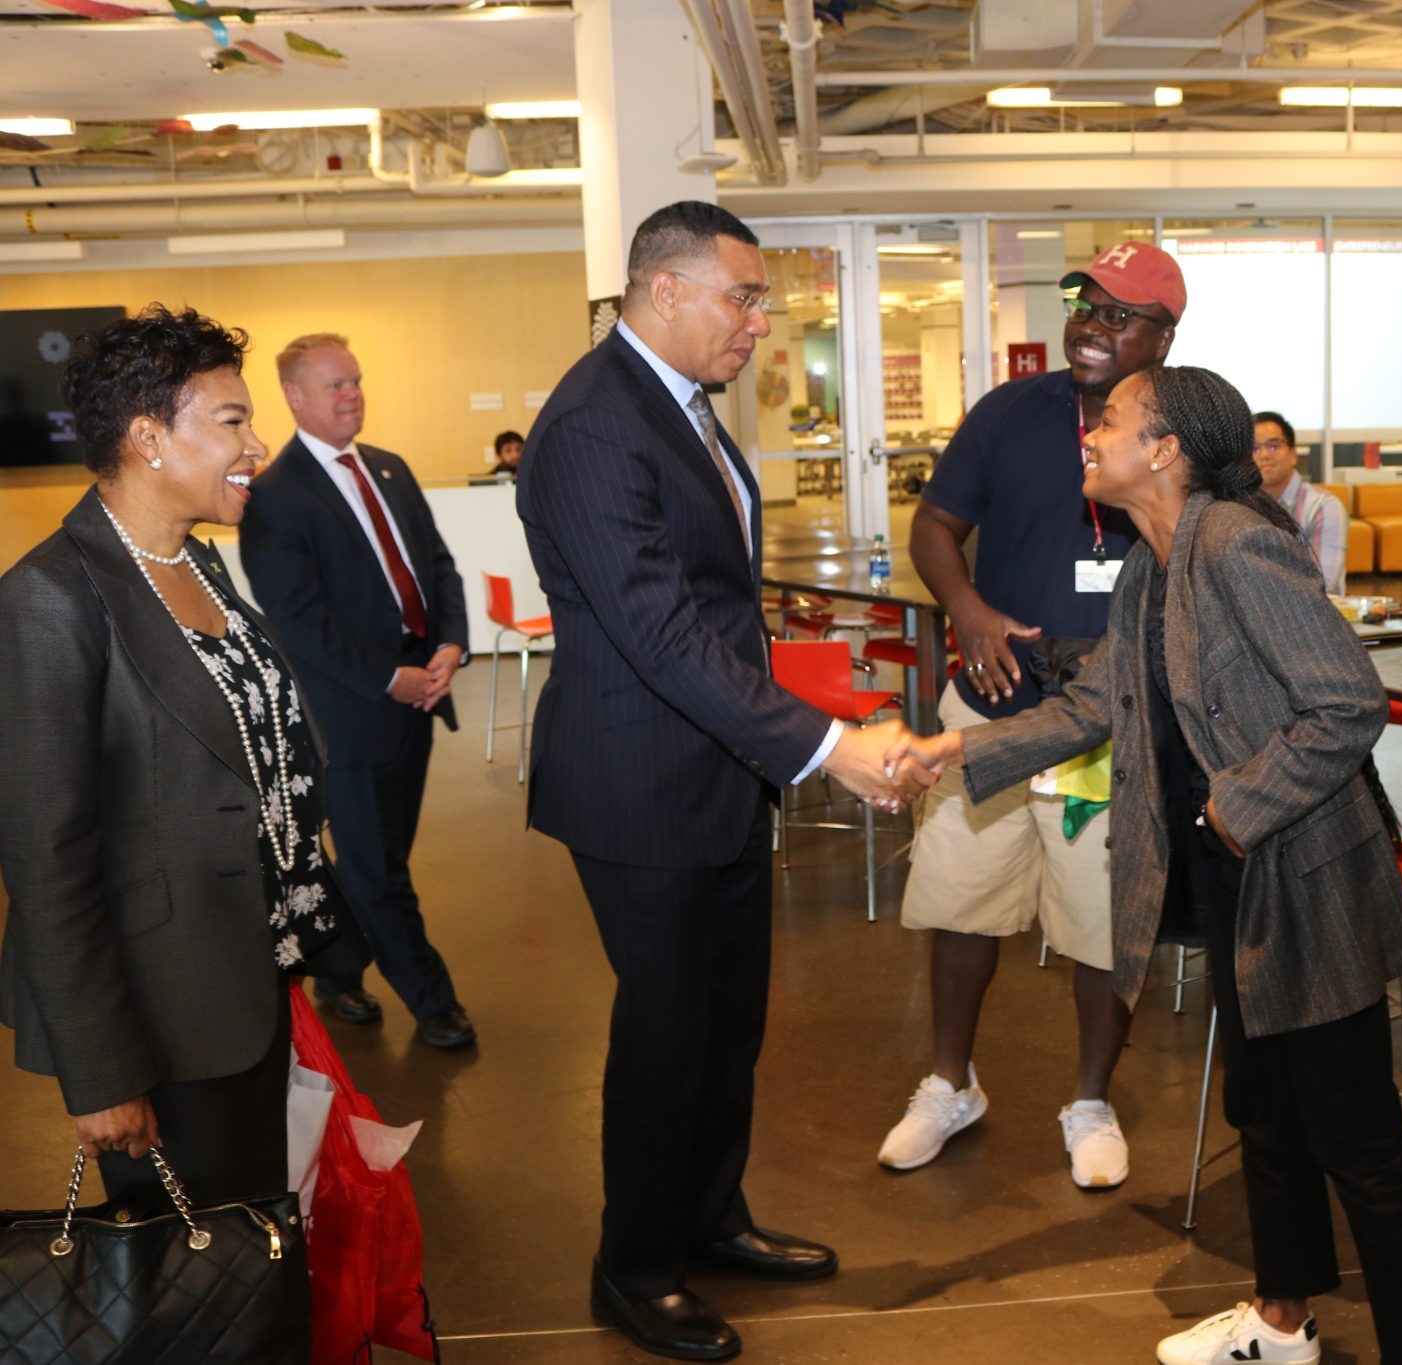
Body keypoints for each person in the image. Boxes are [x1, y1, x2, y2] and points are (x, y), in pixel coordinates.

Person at [889, 366, 1402, 1365]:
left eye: (1108, 422)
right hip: (1235, 881)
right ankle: (1280, 1325)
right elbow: (1091, 707)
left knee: (1357, 1144)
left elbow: (1346, 706)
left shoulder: (1239, 546)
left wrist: (1231, 809)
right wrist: (954, 753)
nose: (1088, 435)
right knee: (1265, 1115)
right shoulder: (1157, 559)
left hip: (1303, 878)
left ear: (1162, 451)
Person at [518, 200, 928, 1363]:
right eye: (742, 298)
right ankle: (636, 1269)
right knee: (665, 1037)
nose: (759, 323)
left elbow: (713, 613)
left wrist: (785, 742)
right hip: (639, 782)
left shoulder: (680, 408)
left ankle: (708, 1217)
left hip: (716, 770)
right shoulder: (598, 424)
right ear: (664, 293)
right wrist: (826, 746)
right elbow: (659, 633)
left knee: (724, 1024)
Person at [0, 306, 363, 1258]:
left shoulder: (195, 560)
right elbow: (46, 858)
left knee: (256, 1249)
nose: (259, 442)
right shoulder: (50, 598)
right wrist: (100, 1072)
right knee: (198, 1283)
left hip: (247, 983)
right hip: (157, 1025)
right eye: (233, 420)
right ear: (148, 438)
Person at [880, 242, 1185, 1189]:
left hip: (1108, 728)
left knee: (1102, 919)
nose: (1092, 323)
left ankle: (1091, 1099)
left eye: (1119, 312)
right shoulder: (1011, 413)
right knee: (963, 903)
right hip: (993, 706)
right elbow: (935, 525)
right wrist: (966, 610)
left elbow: (1206, 555)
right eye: (1082, 303)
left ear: (1164, 335)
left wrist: (1140, 653)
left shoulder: (1186, 430)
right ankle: (948, 1082)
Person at [238, 333, 476, 1050]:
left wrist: (451, 644)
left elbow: (437, 567)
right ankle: (435, 1003)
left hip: (421, 695)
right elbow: (300, 621)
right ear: (295, 397)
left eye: (357, 381)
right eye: (336, 385)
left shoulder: (390, 469)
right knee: (377, 869)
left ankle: (336, 970)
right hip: (352, 710)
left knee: (380, 858)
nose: (353, 395)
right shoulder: (275, 497)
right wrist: (387, 677)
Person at [1252, 410, 1348, 593]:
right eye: (1255, 449)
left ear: (1293, 454)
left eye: (1273, 446)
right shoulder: (1239, 507)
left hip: (1317, 617)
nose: (1264, 455)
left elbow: (1323, 584)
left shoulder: (1322, 507)